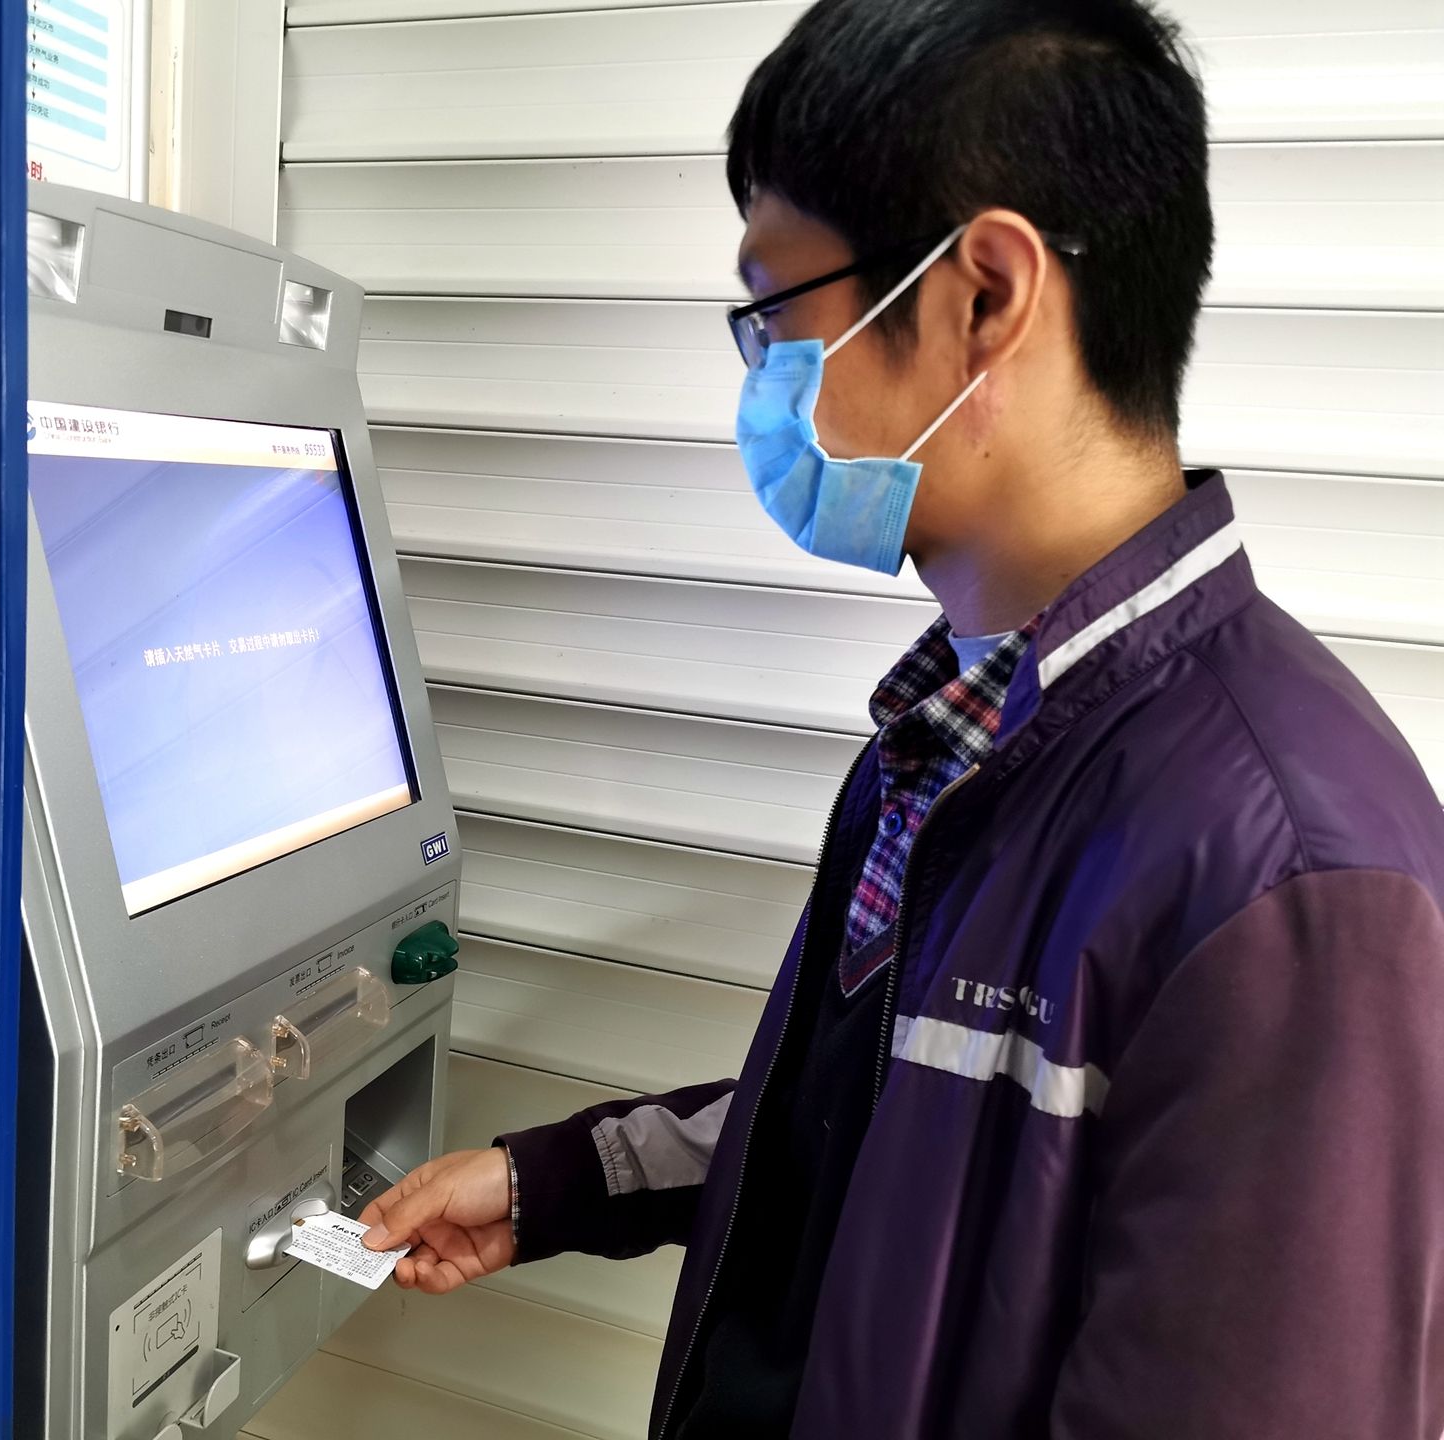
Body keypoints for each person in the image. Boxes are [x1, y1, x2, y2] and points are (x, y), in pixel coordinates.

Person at [356, 1, 1444, 1436]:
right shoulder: (952, 735)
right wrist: (551, 1182)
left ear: (984, 295)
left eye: (777, 315)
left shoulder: (1290, 877)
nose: (764, 382)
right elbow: (892, 1126)